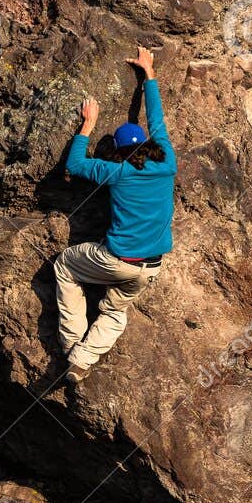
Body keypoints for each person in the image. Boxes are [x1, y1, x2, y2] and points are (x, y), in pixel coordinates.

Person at [54, 44, 176, 383]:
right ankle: (82, 360)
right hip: (151, 267)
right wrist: (148, 74)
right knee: (115, 309)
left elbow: (75, 164)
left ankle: (72, 349)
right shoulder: (167, 162)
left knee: (65, 266)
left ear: (118, 152)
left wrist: (88, 124)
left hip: (117, 260)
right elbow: (156, 120)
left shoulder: (116, 172)